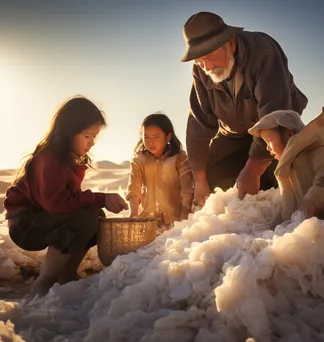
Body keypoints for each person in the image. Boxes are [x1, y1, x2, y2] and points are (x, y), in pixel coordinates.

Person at [4, 96, 128, 296]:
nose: (93, 142)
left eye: (95, 136)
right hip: (24, 223)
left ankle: (66, 274)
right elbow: (58, 204)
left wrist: (98, 203)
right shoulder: (50, 159)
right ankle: (45, 281)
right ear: (69, 132)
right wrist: (101, 198)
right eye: (87, 136)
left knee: (95, 216)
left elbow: (71, 199)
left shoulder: (70, 159)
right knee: (83, 217)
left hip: (41, 217)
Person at [181, 11, 308, 206]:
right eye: (199, 61)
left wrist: (254, 169)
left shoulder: (262, 52)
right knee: (209, 171)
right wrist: (199, 180)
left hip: (278, 128)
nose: (206, 67)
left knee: (282, 179)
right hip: (233, 134)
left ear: (230, 44)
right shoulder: (201, 70)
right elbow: (199, 123)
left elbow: (274, 114)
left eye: (210, 57)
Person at [248, 107, 324, 221]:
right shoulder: (287, 168)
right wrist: (276, 225)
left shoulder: (320, 151)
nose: (267, 147)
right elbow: (288, 204)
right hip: (304, 227)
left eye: (269, 140)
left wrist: (313, 201)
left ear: (288, 134)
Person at [126, 113, 194, 226]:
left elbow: (187, 189)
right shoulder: (139, 160)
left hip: (175, 222)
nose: (150, 142)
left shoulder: (179, 157)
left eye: (156, 137)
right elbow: (134, 189)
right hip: (148, 223)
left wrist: (185, 217)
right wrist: (133, 214)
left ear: (168, 136)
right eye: (146, 137)